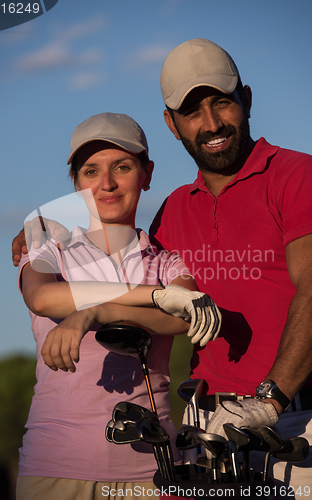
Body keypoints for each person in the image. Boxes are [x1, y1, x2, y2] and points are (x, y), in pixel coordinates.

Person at [15, 112, 221, 500]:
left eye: (122, 167)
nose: (106, 184)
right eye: (90, 171)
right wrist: (153, 295)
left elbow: (183, 317)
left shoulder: (165, 261)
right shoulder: (47, 248)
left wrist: (95, 313)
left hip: (151, 471)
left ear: (147, 173)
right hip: (53, 468)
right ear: (75, 183)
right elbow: (42, 297)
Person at [149, 39, 312, 491]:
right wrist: (49, 235)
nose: (212, 123)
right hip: (209, 432)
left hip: (295, 420)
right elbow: (124, 281)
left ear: (248, 99)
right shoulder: (172, 210)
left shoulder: (297, 175)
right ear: (171, 124)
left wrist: (270, 400)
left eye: (222, 102)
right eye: (192, 111)